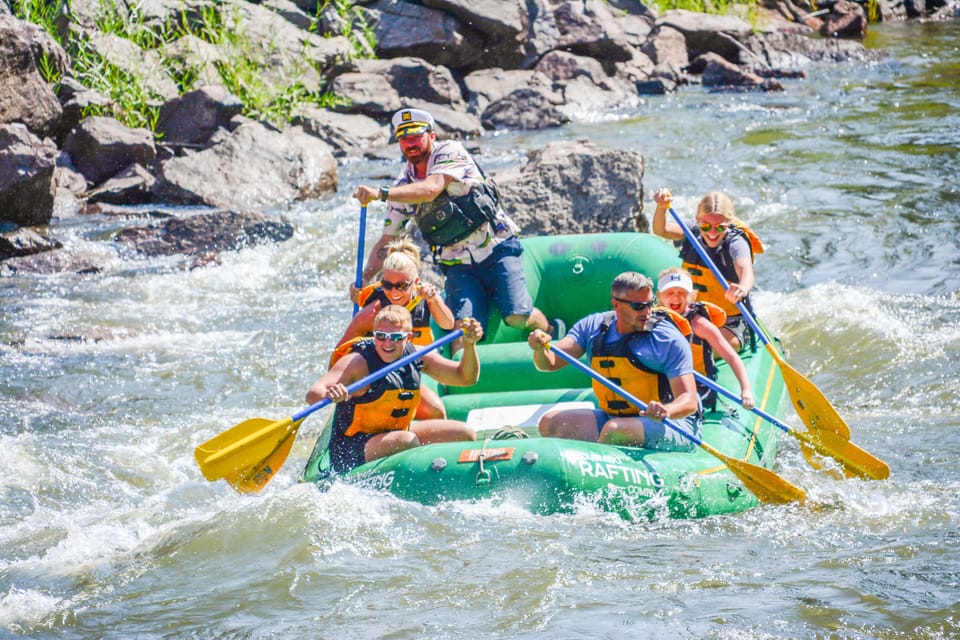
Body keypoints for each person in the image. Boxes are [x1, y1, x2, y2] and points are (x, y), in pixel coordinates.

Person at [351, 107, 559, 351]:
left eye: (416, 137)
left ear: (431, 135)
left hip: (498, 248)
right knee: (463, 331)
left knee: (516, 316)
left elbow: (431, 189)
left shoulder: (449, 152)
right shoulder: (402, 188)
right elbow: (388, 240)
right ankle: (468, 383)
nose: (410, 144)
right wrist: (364, 280)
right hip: (458, 265)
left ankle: (552, 330)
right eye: (404, 139)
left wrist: (380, 193)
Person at [526, 271, 701, 451]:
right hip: (615, 419)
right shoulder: (592, 327)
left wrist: (667, 410)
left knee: (615, 431)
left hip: (672, 423)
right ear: (616, 304)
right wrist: (540, 348)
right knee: (550, 423)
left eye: (650, 304)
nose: (647, 312)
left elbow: (689, 401)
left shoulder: (666, 339)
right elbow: (549, 363)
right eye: (639, 306)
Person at [306, 305, 483, 473]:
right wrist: (331, 393)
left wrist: (469, 346)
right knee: (406, 441)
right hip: (353, 447)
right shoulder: (357, 363)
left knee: (465, 433)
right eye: (380, 336)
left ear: (409, 338)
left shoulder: (419, 356)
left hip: (397, 433)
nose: (387, 343)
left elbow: (465, 378)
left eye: (396, 337)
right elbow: (313, 393)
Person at [331, 237, 454, 419]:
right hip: (373, 376)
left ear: (415, 282)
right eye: (387, 285)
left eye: (402, 286)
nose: (394, 292)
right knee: (434, 410)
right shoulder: (371, 313)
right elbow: (339, 354)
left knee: (437, 412)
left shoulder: (424, 298)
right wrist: (337, 386)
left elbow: (448, 324)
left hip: (406, 371)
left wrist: (433, 300)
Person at [651, 188, 765, 352]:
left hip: (731, 323)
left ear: (729, 223)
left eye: (719, 227)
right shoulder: (692, 230)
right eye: (706, 226)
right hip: (693, 314)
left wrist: (743, 287)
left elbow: (745, 270)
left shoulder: (736, 243)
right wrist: (661, 207)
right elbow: (660, 230)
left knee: (697, 350)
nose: (712, 232)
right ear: (698, 220)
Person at [656, 267, 755, 412]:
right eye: (670, 292)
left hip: (698, 388)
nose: (676, 297)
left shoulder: (699, 324)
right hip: (666, 385)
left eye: (681, 293)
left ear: (691, 296)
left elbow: (731, 357)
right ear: (659, 296)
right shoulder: (653, 319)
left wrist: (746, 391)